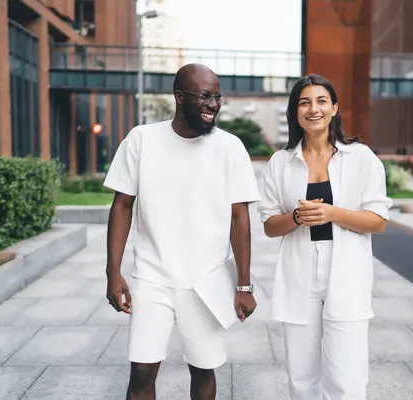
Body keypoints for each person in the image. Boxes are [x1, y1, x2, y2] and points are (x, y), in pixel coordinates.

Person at [103, 63, 260, 400]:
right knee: (142, 371)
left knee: (204, 368)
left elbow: (239, 218)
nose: (213, 104)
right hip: (151, 276)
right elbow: (122, 206)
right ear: (179, 97)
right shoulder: (142, 139)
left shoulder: (230, 147)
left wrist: (244, 284)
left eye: (217, 96)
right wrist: (112, 272)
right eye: (205, 96)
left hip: (206, 279)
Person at [257, 74, 393, 399]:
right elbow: (268, 225)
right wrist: (294, 217)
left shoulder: (361, 158)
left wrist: (333, 213)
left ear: (334, 108)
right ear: (295, 112)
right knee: (302, 379)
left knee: (347, 380)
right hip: (299, 275)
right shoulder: (279, 163)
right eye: (304, 102)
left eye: (321, 101)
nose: (312, 109)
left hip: (346, 274)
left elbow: (378, 221)